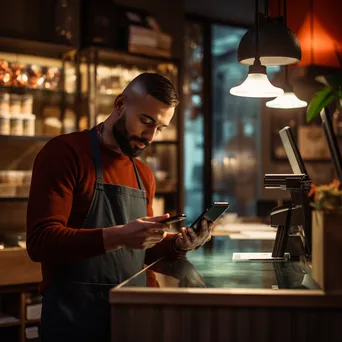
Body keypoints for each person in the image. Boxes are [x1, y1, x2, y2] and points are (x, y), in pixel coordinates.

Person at [26, 73, 213, 342]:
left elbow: (139, 253)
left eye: (160, 128)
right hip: (75, 320)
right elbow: (40, 242)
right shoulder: (64, 153)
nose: (150, 136)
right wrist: (120, 235)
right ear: (120, 104)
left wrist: (179, 245)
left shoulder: (144, 174)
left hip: (135, 316)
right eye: (146, 121)